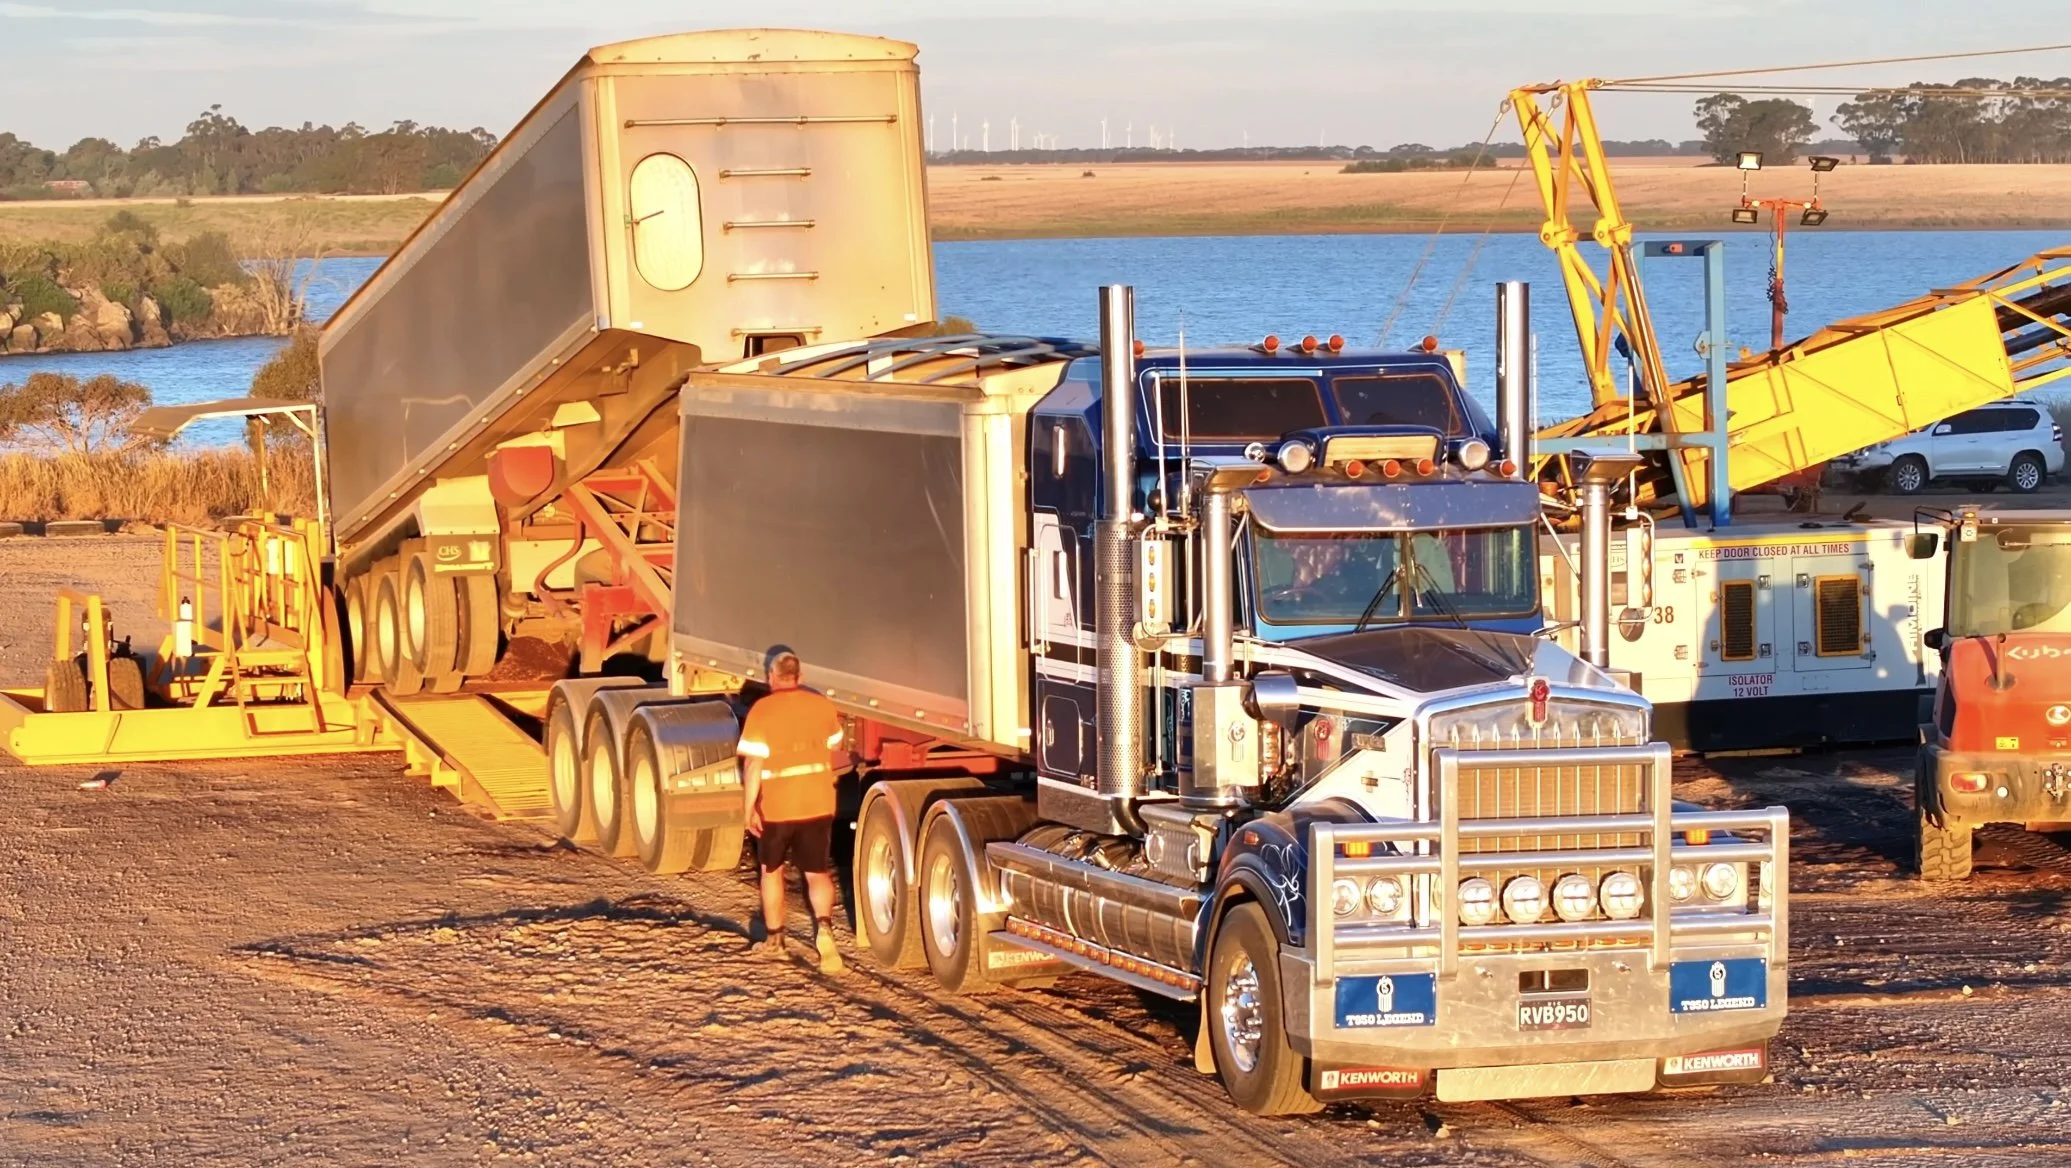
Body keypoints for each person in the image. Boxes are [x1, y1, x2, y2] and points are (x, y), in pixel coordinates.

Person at [738, 650, 848, 973]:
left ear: (771, 677)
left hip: (778, 806)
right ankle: (825, 928)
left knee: (771, 871)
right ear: (800, 677)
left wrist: (749, 810)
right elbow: (835, 745)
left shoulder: (762, 711)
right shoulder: (820, 704)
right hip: (817, 802)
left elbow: (754, 764)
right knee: (817, 872)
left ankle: (775, 941)